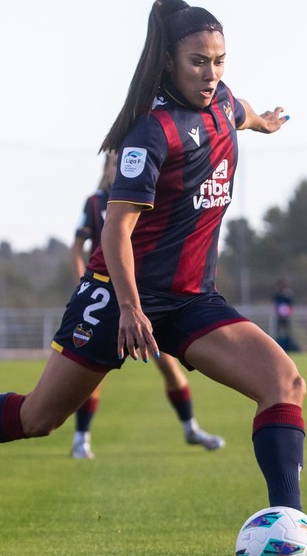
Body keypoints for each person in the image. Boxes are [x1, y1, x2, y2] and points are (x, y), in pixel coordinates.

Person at [0, 0, 307, 556]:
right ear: (168, 64)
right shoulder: (151, 134)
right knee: (39, 417)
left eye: (220, 61)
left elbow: (240, 109)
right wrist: (132, 309)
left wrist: (264, 123)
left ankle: (295, 527)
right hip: (116, 297)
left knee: (284, 383)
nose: (211, 75)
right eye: (198, 62)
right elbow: (115, 233)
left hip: (189, 301)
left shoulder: (224, 103)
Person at [67, 151, 225, 459]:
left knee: (169, 365)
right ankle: (81, 439)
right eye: (115, 162)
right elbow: (76, 247)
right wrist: (81, 285)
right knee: (92, 372)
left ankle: (190, 427)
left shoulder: (146, 197)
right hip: (108, 301)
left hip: (149, 300)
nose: (122, 167)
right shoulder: (96, 203)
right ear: (107, 168)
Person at [272, 278, 298, 352]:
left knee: (288, 332)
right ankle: (278, 348)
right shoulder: (277, 295)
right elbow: (275, 305)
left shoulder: (288, 295)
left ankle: (289, 347)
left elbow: (290, 305)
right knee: (278, 332)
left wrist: (288, 313)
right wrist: (278, 312)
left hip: (286, 317)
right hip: (279, 316)